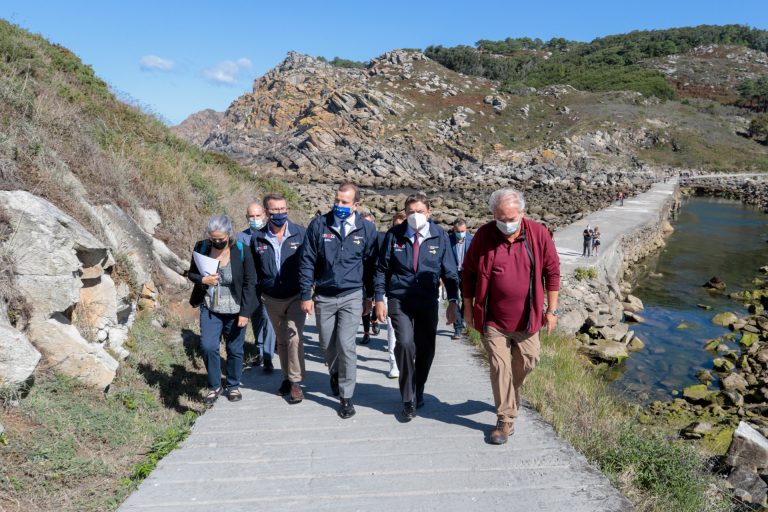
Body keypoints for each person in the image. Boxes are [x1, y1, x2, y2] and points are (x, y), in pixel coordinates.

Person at [462, 188, 560, 445]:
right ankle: (505, 420)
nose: (506, 224)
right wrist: (468, 308)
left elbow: (552, 273)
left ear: (522, 213)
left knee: (529, 361)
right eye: (501, 218)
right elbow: (469, 273)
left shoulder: (538, 234)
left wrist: (552, 310)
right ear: (493, 215)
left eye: (511, 218)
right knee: (500, 366)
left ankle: (510, 393)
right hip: (492, 319)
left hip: (528, 319)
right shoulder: (484, 235)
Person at [375, 193, 459, 421]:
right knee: (404, 344)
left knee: (425, 348)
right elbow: (381, 269)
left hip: (427, 300)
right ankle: (408, 397)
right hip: (399, 298)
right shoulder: (394, 235)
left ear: (429, 213)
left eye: (420, 212)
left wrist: (453, 301)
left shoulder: (439, 236)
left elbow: (450, 272)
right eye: (411, 212)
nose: (415, 216)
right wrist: (379, 299)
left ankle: (418, 386)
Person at [298, 183, 378, 419]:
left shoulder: (366, 229)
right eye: (337, 201)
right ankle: (334, 372)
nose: (339, 205)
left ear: (356, 205)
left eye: (345, 202)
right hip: (323, 296)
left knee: (346, 345)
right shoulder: (319, 225)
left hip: (352, 295)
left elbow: (372, 266)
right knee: (327, 345)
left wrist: (370, 297)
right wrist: (306, 294)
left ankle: (346, 397)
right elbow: (307, 261)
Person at [188, 214, 257, 405]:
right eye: (213, 239)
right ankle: (214, 386)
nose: (217, 242)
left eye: (221, 239)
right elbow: (192, 272)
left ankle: (233, 385)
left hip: (235, 310)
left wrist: (245, 312)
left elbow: (251, 282)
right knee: (209, 346)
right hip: (210, 307)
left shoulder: (241, 250)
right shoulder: (201, 247)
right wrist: (203, 280)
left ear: (229, 234)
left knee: (234, 349)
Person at [251, 193, 307, 404]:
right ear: (266, 212)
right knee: (282, 341)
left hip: (295, 296)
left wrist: (309, 292)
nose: (280, 213)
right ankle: (286, 377)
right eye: (275, 210)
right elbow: (255, 270)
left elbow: (309, 263)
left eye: (283, 209)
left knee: (293, 338)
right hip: (271, 298)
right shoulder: (258, 238)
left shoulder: (300, 233)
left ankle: (295, 382)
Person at [237, 202, 276, 373]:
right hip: (250, 287)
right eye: (251, 217)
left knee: (269, 319)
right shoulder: (240, 238)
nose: (254, 219)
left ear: (265, 215)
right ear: (246, 218)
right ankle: (259, 350)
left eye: (257, 216)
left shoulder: (272, 234)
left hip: (269, 285)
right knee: (257, 319)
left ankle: (267, 355)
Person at [383, 212, 407, 379]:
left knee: (408, 334)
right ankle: (393, 362)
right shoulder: (388, 240)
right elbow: (380, 267)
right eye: (395, 225)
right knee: (392, 327)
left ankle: (408, 360)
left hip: (412, 293)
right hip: (391, 292)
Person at [358, 212, 383, 345]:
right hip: (362, 275)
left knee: (374, 300)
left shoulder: (380, 238)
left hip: (377, 274)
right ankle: (366, 332)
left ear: (373, 224)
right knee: (365, 303)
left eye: (369, 223)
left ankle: (374, 319)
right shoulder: (356, 237)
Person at [449, 218, 473, 340]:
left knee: (466, 298)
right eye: (458, 231)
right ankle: (457, 329)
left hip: (467, 274)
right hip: (453, 274)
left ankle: (463, 319)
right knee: (454, 300)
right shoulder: (448, 240)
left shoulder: (472, 240)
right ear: (454, 230)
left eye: (463, 231)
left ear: (466, 230)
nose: (460, 233)